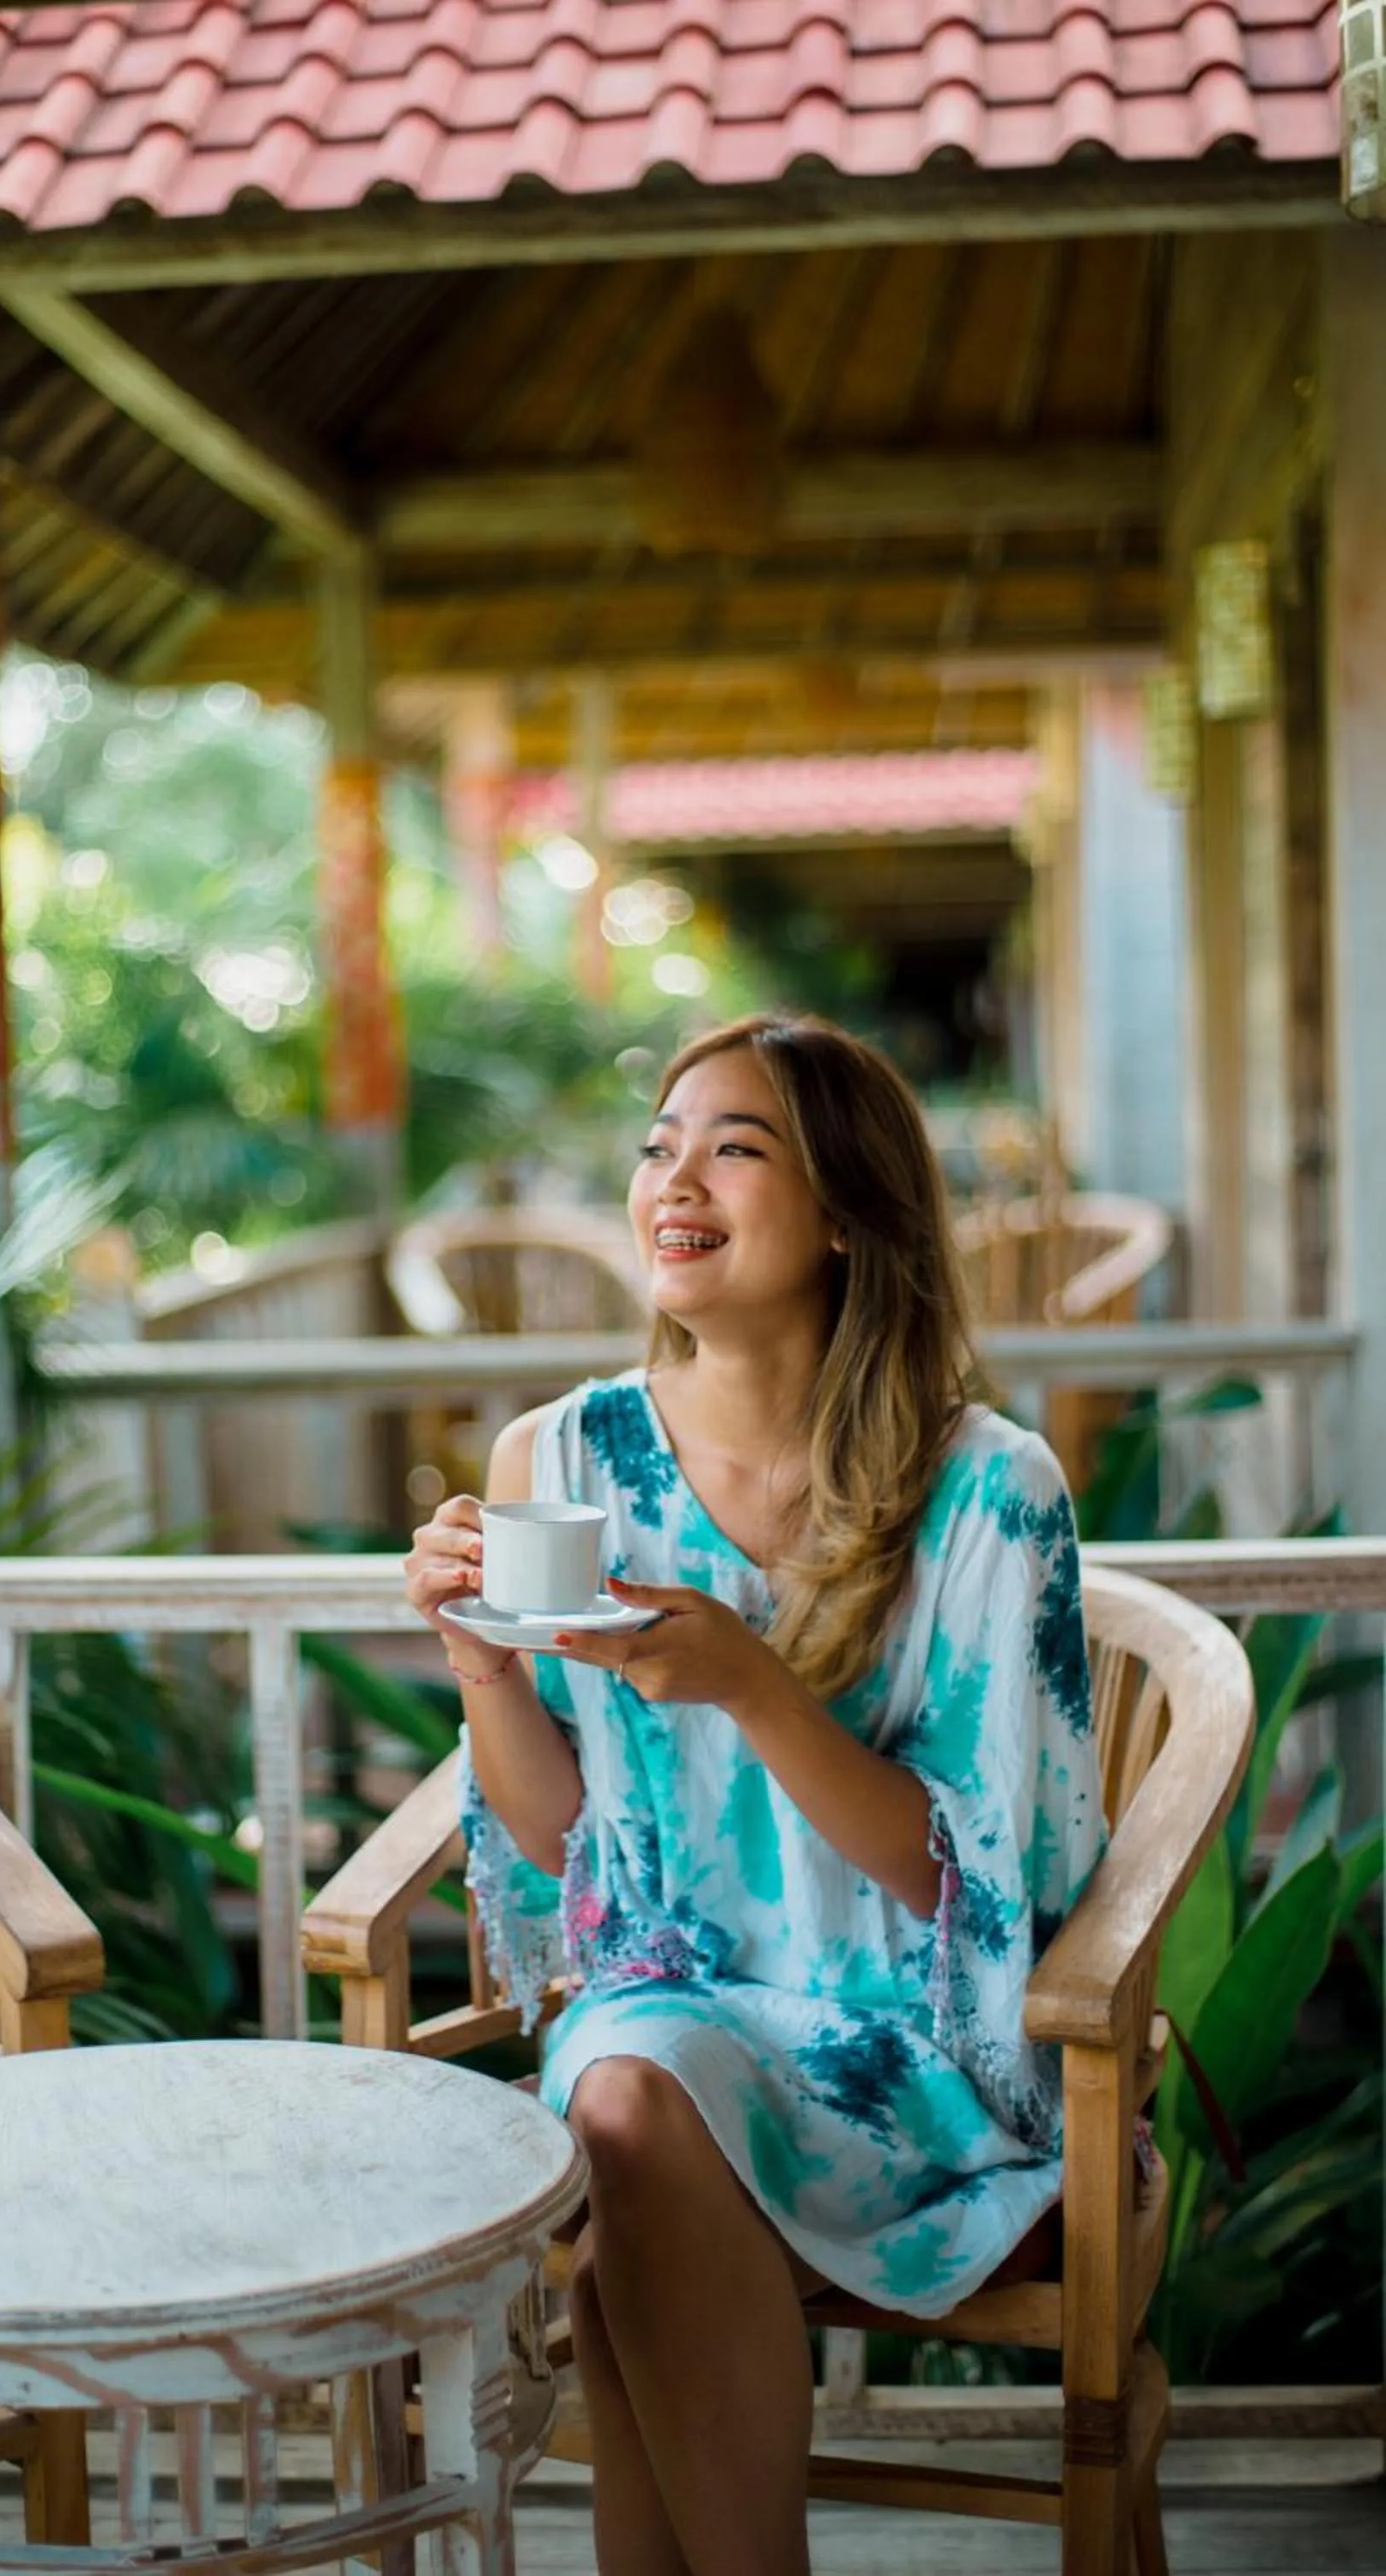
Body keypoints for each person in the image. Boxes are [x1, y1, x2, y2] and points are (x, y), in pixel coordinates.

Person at [404, 1013, 1103, 2576]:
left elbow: (972, 1888)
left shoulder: (990, 1489)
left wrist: (757, 1686)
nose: (674, 1178)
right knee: (633, 2080)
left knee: (619, 2200)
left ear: (848, 1210)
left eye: (734, 1145)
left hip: (916, 2047)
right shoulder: (561, 1453)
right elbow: (564, 1848)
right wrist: (482, 1667)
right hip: (669, 2002)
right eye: (660, 1143)